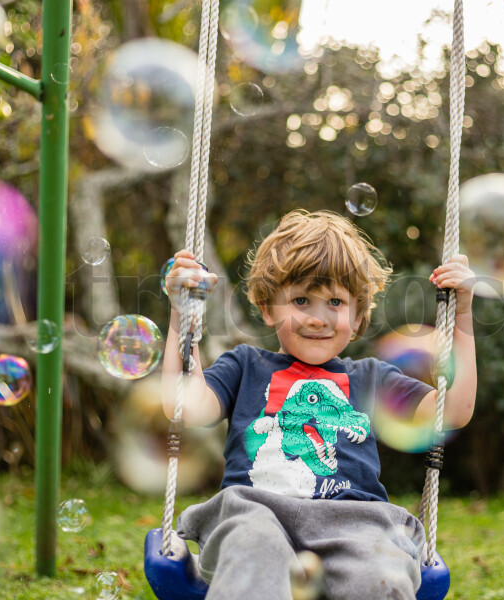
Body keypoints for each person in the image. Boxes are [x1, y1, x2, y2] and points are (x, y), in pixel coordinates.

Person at [161, 209, 477, 600]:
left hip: (355, 523)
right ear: (266, 307)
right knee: (252, 547)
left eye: (335, 302)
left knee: (380, 576)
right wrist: (181, 314)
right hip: (254, 511)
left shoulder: (371, 377)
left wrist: (461, 315)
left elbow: (454, 410)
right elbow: (185, 407)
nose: (317, 318)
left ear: (358, 316)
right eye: (300, 299)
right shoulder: (245, 365)